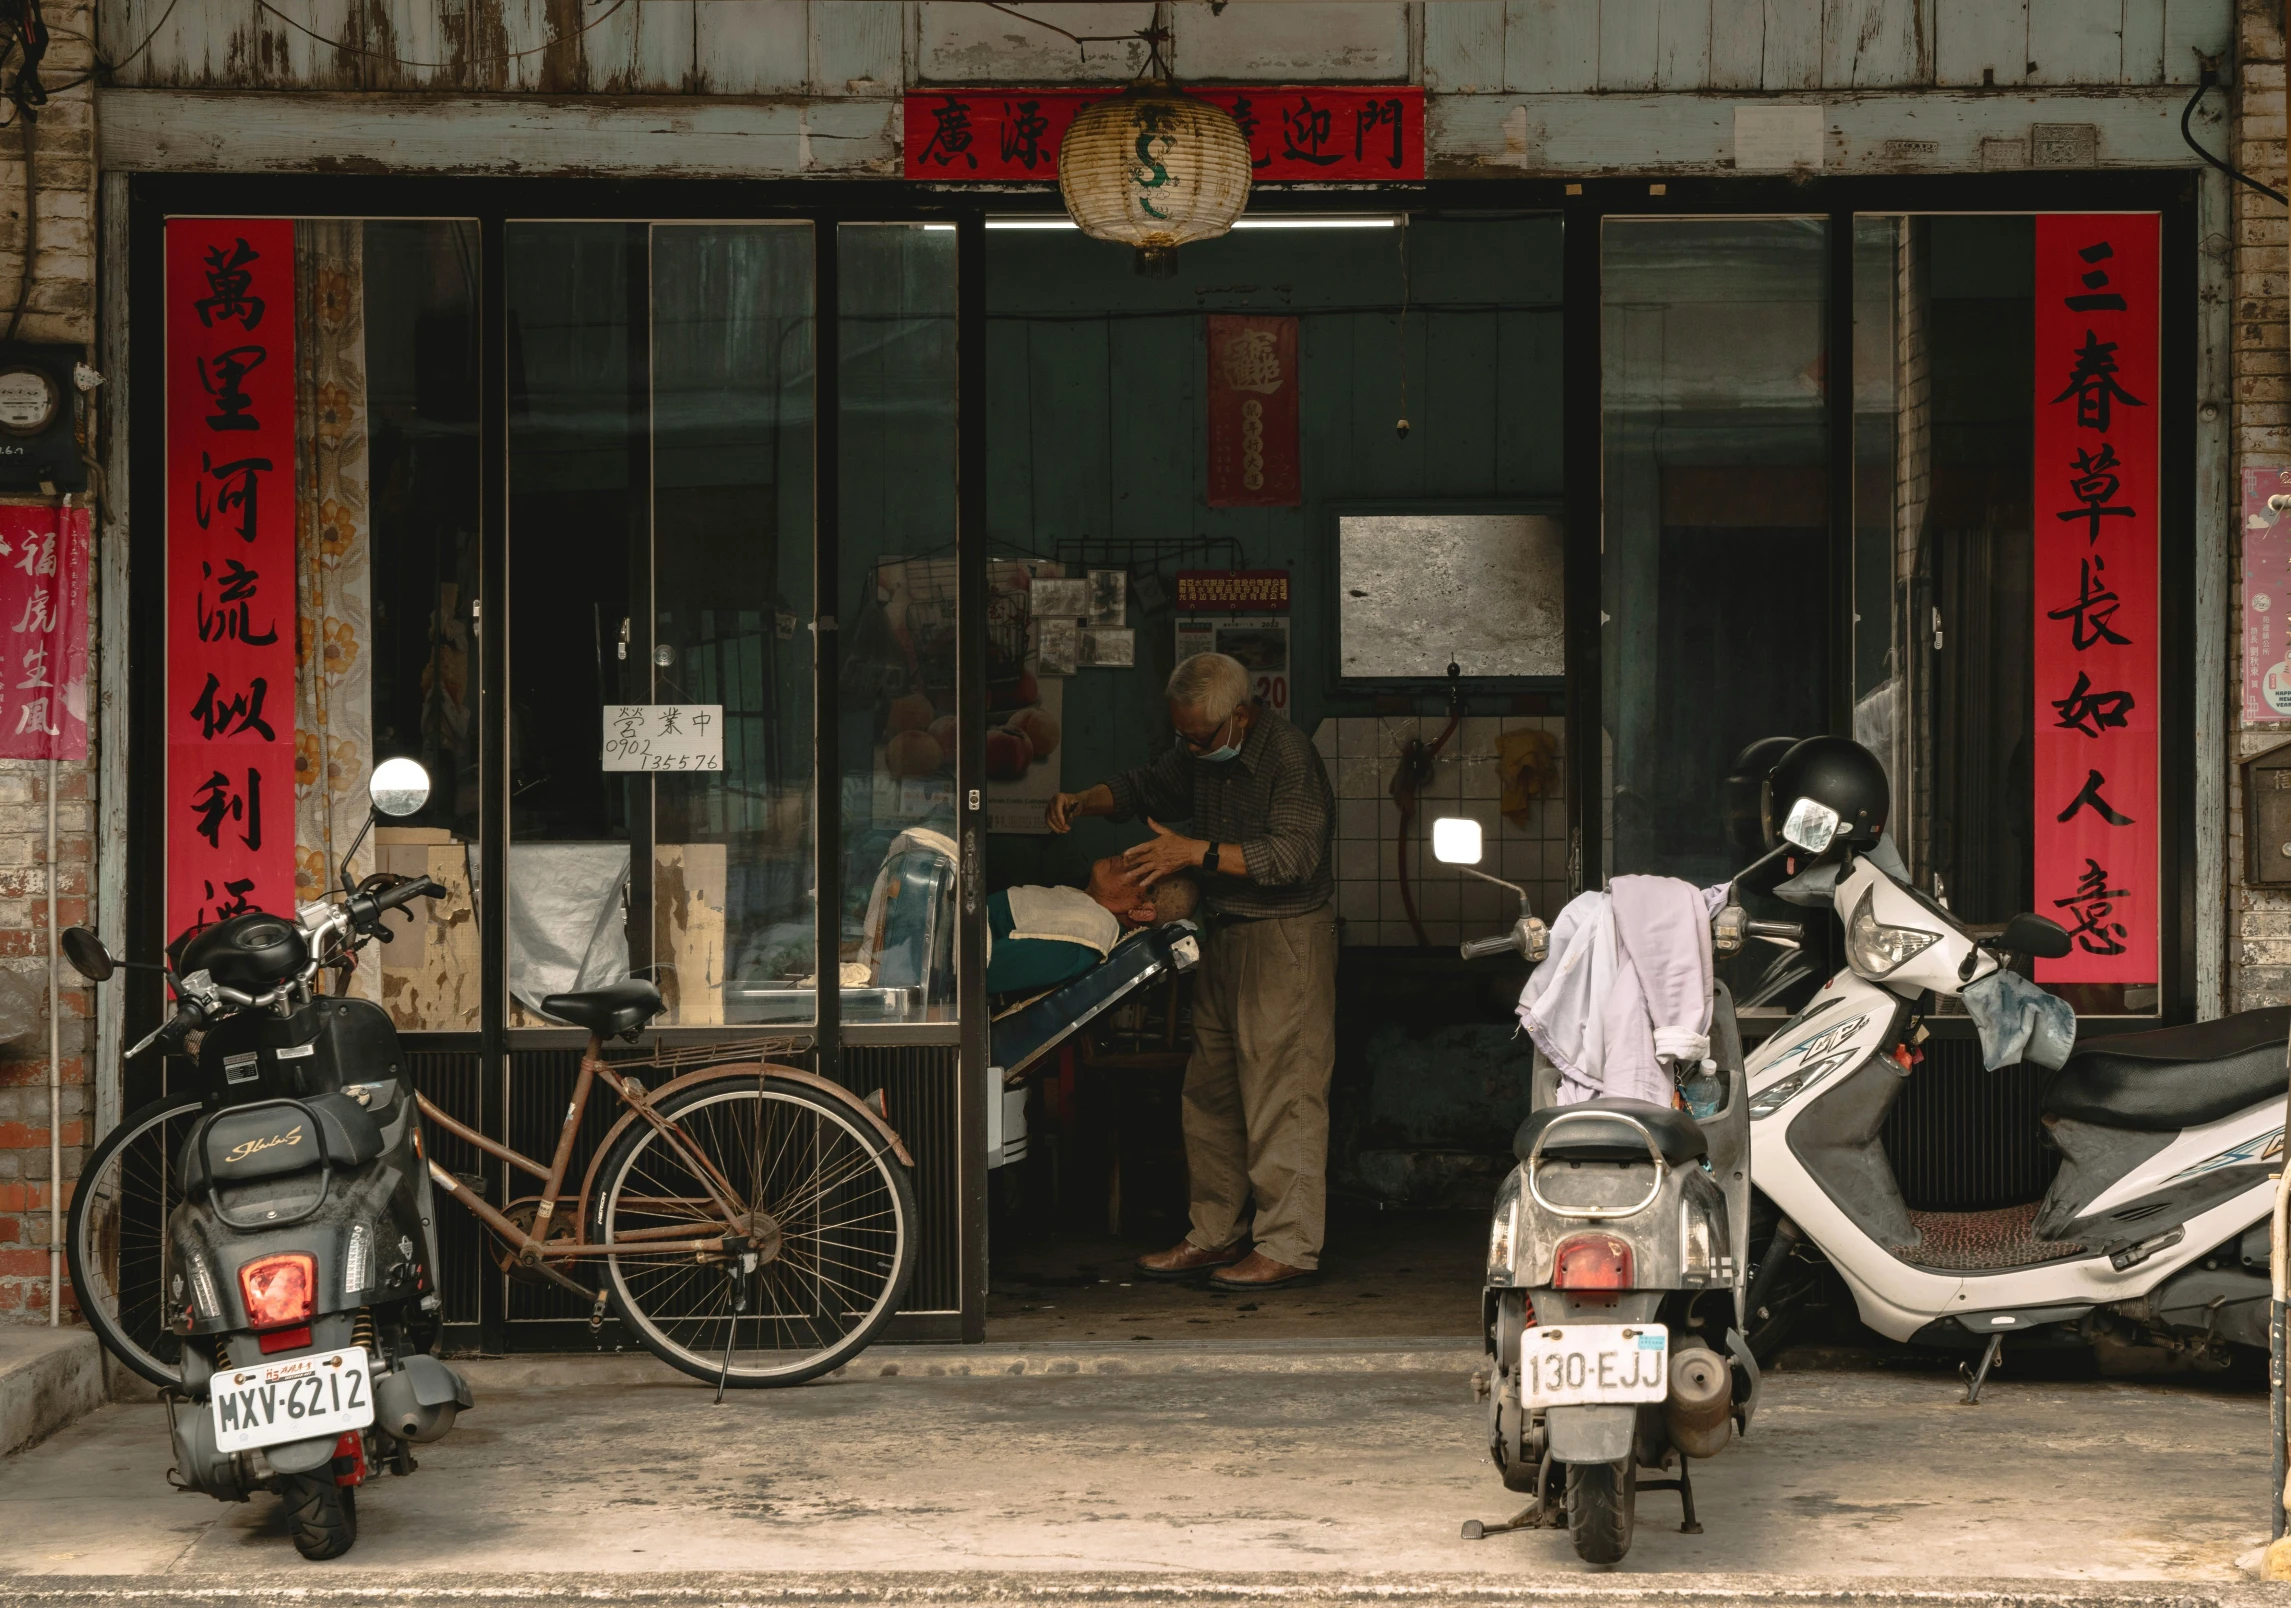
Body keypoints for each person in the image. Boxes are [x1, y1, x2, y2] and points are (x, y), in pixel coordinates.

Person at [1046, 651, 1337, 1291]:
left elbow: (1293, 855)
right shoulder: (1203, 753)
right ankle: (1213, 1235)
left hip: (1286, 938)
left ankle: (1286, 1245)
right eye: (1182, 734)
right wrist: (1084, 800)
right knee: (1211, 1095)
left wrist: (1192, 851)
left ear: (1240, 715)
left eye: (1198, 736)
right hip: (1227, 933)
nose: (1188, 746)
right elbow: (1147, 786)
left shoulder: (1289, 759)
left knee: (1282, 1095)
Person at [986, 860, 1198, 996]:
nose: (1125, 859)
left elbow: (972, 972)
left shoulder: (1082, 935)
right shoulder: (1084, 904)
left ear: (1141, 912)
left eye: (1136, 870)